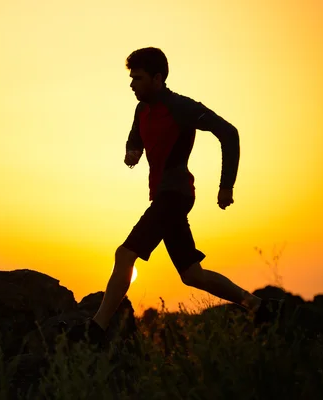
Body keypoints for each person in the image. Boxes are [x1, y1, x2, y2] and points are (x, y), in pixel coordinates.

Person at [66, 47, 283, 347]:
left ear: (157, 78)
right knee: (192, 274)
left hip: (176, 194)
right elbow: (135, 136)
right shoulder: (142, 109)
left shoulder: (182, 107)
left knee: (125, 254)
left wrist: (226, 185)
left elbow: (229, 133)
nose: (131, 84)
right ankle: (259, 307)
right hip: (163, 197)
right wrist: (133, 151)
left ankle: (97, 330)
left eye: (138, 78)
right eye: (131, 78)